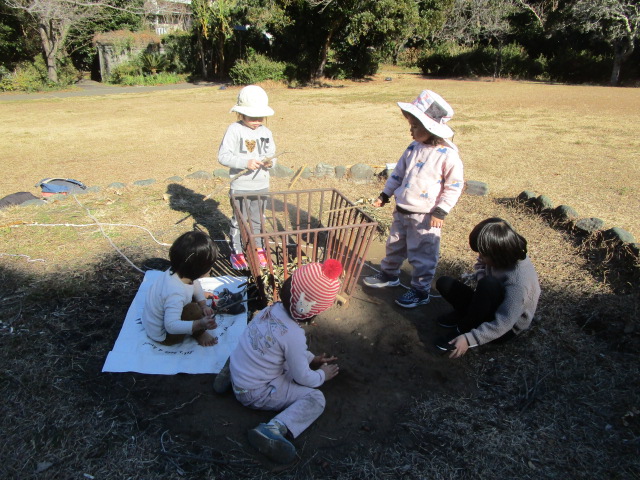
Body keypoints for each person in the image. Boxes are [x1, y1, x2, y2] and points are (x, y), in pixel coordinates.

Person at [229, 259, 343, 464]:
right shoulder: (294, 335)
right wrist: (321, 375)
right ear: (312, 310)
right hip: (255, 392)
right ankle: (272, 429)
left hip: (240, 372)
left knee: (264, 351)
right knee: (316, 398)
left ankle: (226, 375)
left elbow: (285, 351)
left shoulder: (269, 310)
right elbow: (303, 377)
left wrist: (312, 359)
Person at [363, 89, 464, 308]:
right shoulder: (412, 148)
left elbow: (454, 186)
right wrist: (384, 195)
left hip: (426, 218)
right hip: (402, 211)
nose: (411, 130)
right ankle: (389, 275)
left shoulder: (448, 155)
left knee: (423, 256)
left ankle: (420, 291)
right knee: (394, 246)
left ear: (430, 127)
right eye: (410, 125)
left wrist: (441, 211)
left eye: (415, 127)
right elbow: (398, 174)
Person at [434, 217, 541, 358]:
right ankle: (467, 315)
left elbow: (504, 323)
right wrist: (481, 281)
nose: (480, 257)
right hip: (489, 301)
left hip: (504, 328)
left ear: (498, 254)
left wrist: (469, 339)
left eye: (483, 254)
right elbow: (481, 267)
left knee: (488, 284)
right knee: (445, 283)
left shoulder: (519, 282)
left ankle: (463, 329)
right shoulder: (501, 254)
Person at [218, 85, 277, 270]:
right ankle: (237, 251)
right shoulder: (234, 130)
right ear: (241, 114)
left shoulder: (266, 133)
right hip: (241, 186)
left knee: (258, 217)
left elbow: (272, 156)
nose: (257, 121)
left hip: (261, 186)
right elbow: (223, 156)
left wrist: (269, 163)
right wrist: (245, 162)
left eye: (260, 117)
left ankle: (258, 248)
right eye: (252, 117)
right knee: (239, 220)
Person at [141, 230, 219, 347]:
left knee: (196, 301)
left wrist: (203, 304)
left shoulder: (178, 271)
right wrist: (200, 324)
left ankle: (198, 305)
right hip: (164, 335)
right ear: (199, 270)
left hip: (155, 319)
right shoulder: (175, 293)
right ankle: (199, 334)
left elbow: (195, 282)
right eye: (210, 265)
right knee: (193, 310)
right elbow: (171, 326)